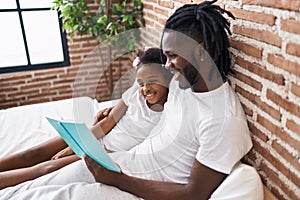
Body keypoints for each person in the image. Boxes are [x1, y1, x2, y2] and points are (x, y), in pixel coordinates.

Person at [0, 1, 254, 199]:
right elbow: (148, 95)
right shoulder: (182, 85)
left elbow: (194, 194)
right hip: (119, 163)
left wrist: (117, 179)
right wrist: (116, 111)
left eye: (172, 57)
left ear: (200, 53)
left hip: (132, 187)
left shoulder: (223, 121)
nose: (167, 66)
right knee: (34, 182)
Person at [0, 47, 171, 189]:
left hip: (107, 154)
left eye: (153, 80)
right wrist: (75, 144)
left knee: (44, 169)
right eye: (141, 82)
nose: (145, 88)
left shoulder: (171, 112)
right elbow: (109, 122)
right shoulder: (134, 93)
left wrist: (79, 149)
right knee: (33, 153)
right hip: (95, 137)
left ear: (168, 77)